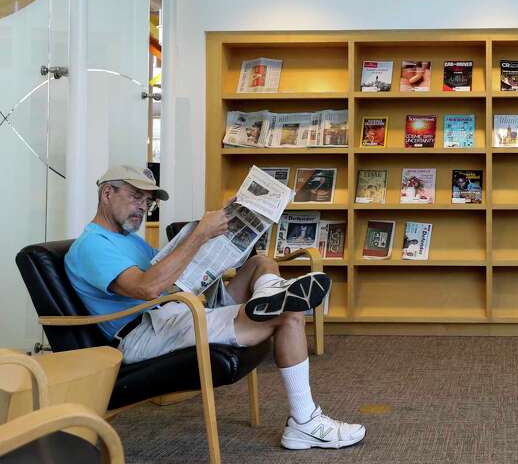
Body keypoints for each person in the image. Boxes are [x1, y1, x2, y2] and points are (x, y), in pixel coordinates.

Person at [65, 165, 365, 450]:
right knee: (288, 314)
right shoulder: (92, 245)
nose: (143, 207)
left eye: (147, 201)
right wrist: (199, 235)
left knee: (261, 263)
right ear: (107, 194)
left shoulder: (129, 241)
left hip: (175, 311)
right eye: (135, 197)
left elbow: (174, 275)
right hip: (145, 332)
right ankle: (306, 422)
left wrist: (234, 227)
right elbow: (148, 288)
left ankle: (268, 294)